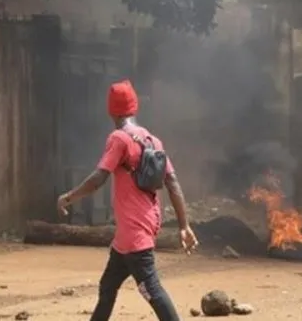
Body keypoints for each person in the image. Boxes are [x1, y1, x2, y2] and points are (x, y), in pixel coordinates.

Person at [56, 79, 198, 321]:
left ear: (111, 110)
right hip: (133, 232)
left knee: (151, 289)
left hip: (135, 234)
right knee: (107, 287)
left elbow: (99, 177)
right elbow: (172, 183)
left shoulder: (118, 139)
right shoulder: (153, 140)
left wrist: (69, 197)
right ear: (134, 107)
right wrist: (184, 225)